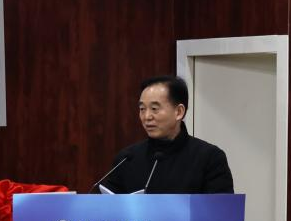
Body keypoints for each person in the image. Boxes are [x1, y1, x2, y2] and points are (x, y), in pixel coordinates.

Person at [99, 75, 234, 194]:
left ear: (179, 112)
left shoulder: (209, 158)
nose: (146, 116)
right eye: (142, 109)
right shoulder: (127, 159)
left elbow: (221, 210)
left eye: (154, 109)